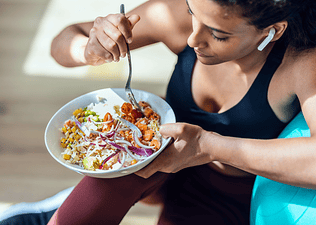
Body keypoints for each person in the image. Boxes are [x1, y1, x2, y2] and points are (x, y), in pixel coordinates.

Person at [47, 0, 316, 224]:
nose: (193, 38)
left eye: (218, 34)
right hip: (156, 161)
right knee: (75, 214)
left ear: (274, 30)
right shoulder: (182, 14)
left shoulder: (301, 61)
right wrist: (90, 49)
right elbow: (61, 42)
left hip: (228, 197)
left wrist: (209, 147)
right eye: (191, 12)